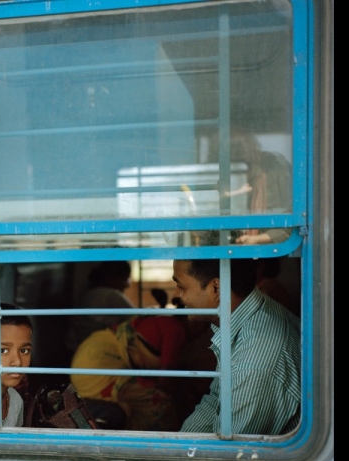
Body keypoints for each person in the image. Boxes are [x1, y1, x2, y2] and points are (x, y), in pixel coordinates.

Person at [173, 258, 301, 435]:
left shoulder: (252, 365)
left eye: (181, 287)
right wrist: (181, 447)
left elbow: (231, 453)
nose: (176, 295)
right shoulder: (253, 314)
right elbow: (215, 400)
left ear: (216, 288)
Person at [70, 314, 186, 431]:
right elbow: (166, 375)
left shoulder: (160, 321)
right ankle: (151, 442)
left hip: (83, 376)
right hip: (97, 377)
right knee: (160, 402)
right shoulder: (174, 328)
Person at [228, 128, 293, 245]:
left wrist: (257, 239)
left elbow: (289, 221)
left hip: (274, 249)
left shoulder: (274, 170)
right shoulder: (231, 174)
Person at [64, 261, 135, 353]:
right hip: (97, 350)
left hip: (77, 349)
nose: (126, 286)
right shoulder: (110, 295)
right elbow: (137, 317)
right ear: (112, 278)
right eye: (125, 279)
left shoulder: (89, 293)